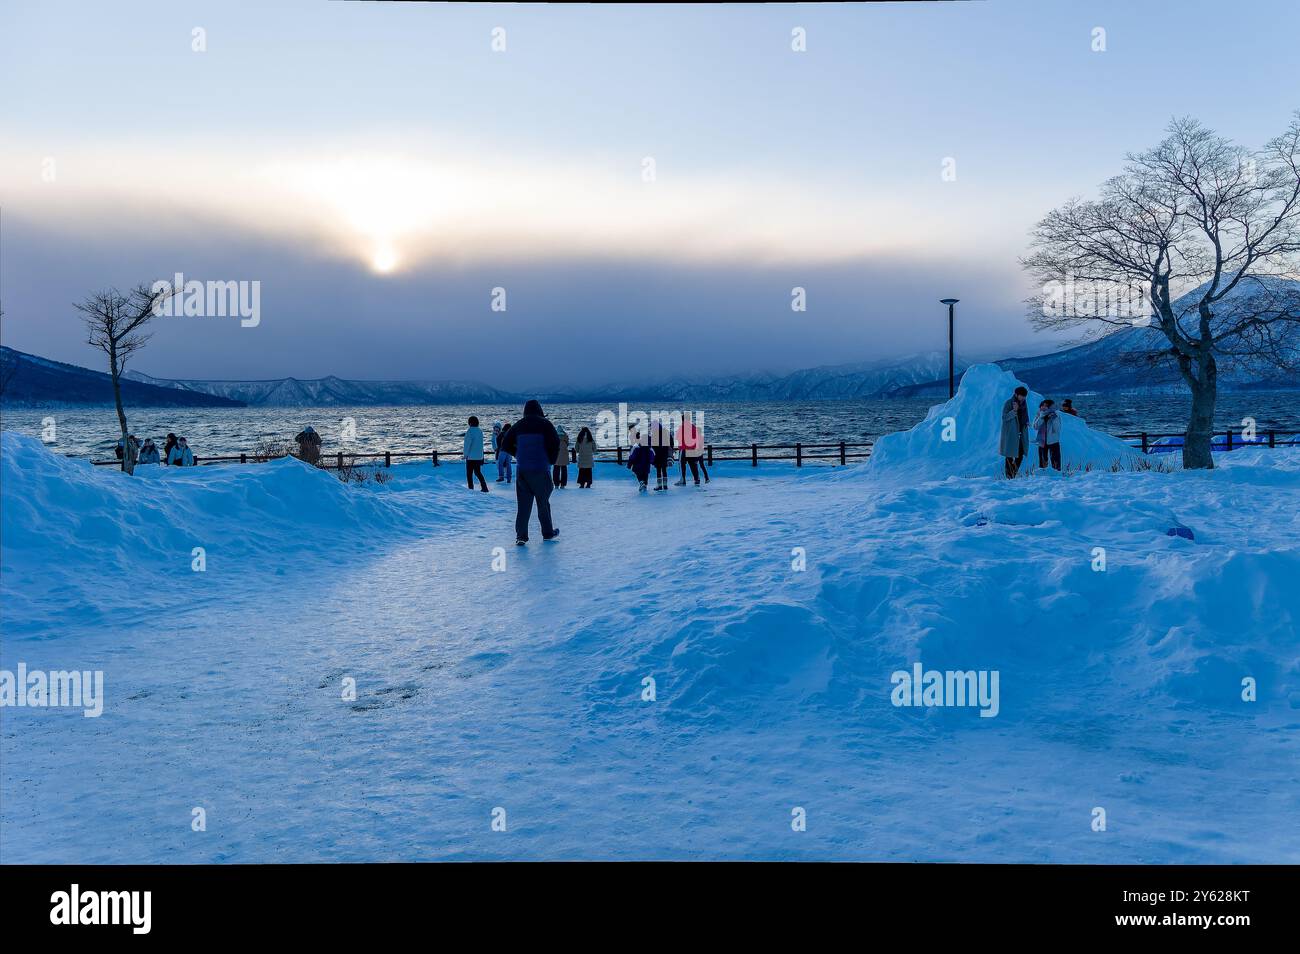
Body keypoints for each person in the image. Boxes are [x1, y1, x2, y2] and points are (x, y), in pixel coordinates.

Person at [498, 400, 560, 544]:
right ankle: (547, 533)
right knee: (543, 503)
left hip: (522, 470)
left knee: (523, 505)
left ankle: (521, 536)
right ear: (539, 410)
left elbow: (504, 444)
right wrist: (551, 460)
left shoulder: (519, 425)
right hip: (540, 469)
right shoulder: (546, 424)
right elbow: (555, 443)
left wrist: (517, 454)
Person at [1000, 386, 1029, 478]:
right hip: (1011, 433)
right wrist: (1014, 411)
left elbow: (1025, 415)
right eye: (1022, 396)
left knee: (1020, 454)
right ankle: (1009, 476)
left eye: (1024, 396)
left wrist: (1027, 421)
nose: (1023, 398)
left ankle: (1013, 473)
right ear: (1016, 395)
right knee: (1009, 455)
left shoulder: (1024, 403)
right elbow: (1004, 417)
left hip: (1021, 432)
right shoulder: (1009, 403)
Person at [676, 412, 709, 486]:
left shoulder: (682, 428)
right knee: (693, 464)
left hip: (684, 449)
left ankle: (683, 480)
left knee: (682, 464)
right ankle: (697, 479)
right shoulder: (693, 427)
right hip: (693, 449)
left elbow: (678, 437)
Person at [1033, 399, 1063, 471]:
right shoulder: (1039, 414)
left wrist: (1053, 418)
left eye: (1046, 406)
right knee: (1043, 462)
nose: (1043, 407)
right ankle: (1043, 478)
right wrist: (1041, 417)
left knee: (1056, 463)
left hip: (1053, 441)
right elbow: (1035, 426)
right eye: (1042, 405)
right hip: (1042, 441)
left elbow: (1057, 429)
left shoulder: (1055, 415)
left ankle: (1057, 477)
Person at [463, 415, 489, 492]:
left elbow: (467, 444)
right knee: (478, 472)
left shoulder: (470, 431)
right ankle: (484, 487)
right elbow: (481, 444)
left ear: (470, 423)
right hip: (478, 456)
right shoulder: (480, 431)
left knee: (469, 474)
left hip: (471, 457)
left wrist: (465, 454)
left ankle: (471, 488)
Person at [650, 415, 674, 492]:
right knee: (664, 469)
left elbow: (652, 445)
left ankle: (659, 486)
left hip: (657, 454)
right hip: (665, 453)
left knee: (658, 470)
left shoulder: (654, 434)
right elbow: (671, 442)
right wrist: (669, 449)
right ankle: (665, 485)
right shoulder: (666, 431)